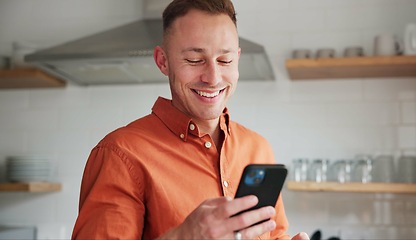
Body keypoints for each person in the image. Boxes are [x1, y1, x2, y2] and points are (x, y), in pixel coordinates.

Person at [72, 0, 309, 239]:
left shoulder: (258, 148)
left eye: (225, 60)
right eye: (195, 60)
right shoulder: (120, 154)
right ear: (163, 61)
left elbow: (274, 234)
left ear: (237, 59)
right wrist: (183, 236)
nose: (213, 78)